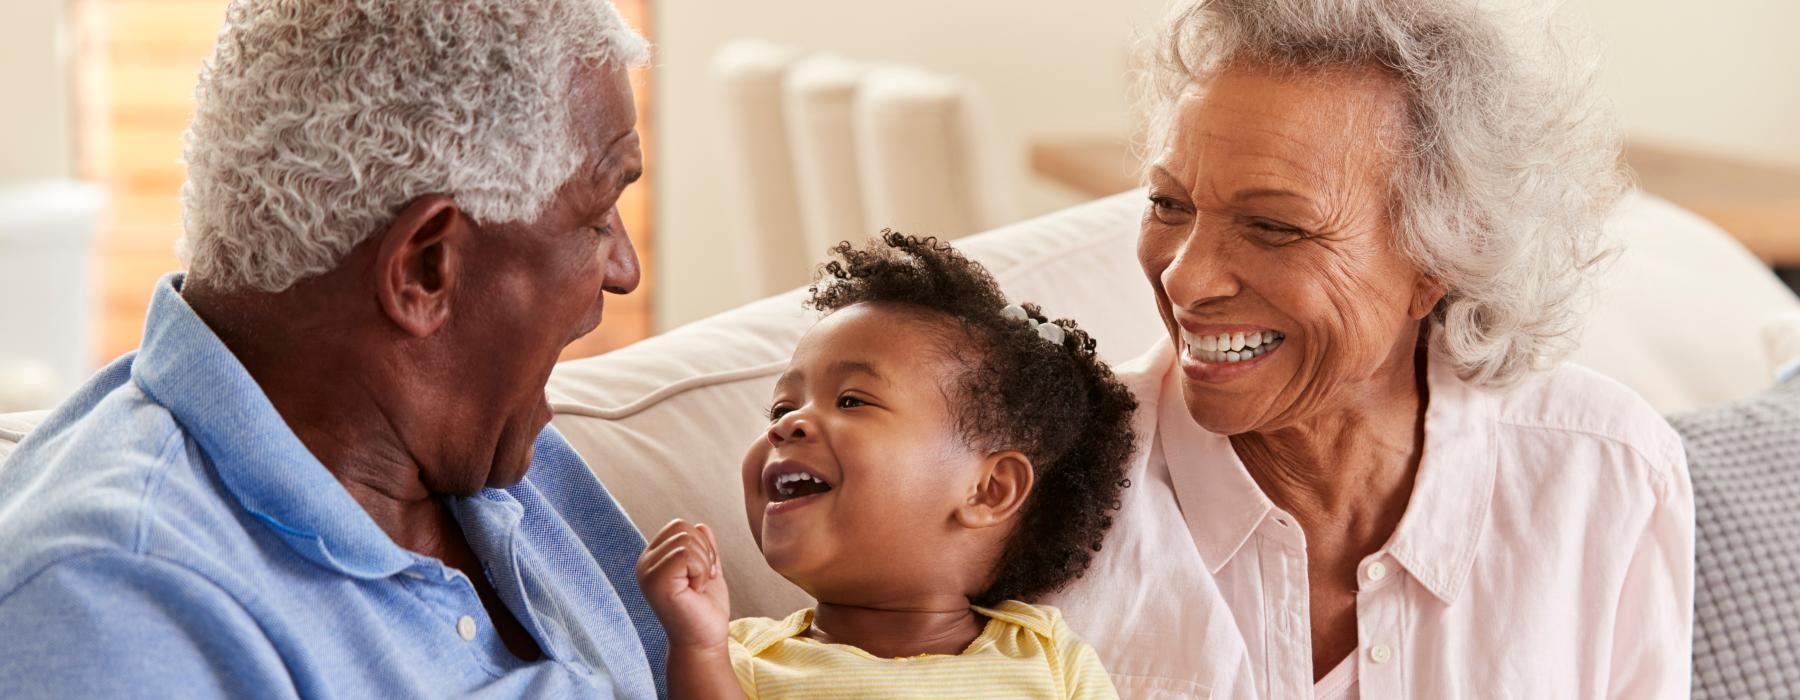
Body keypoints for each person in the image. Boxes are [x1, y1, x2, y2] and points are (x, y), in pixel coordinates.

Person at [0, 0, 667, 696]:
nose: (625, 270)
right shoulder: (110, 607)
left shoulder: (492, 449)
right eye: (596, 219)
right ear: (425, 269)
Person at [1046, 0, 1694, 697]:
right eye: (1170, 206)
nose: (1186, 278)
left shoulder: (1609, 473)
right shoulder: (1034, 486)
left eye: (1273, 226)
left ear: (1441, 257)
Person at [636, 233, 1135, 698]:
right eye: (782, 408)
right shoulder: (736, 658)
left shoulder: (1047, 657)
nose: (786, 426)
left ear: (989, 490)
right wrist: (696, 647)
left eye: (852, 401)